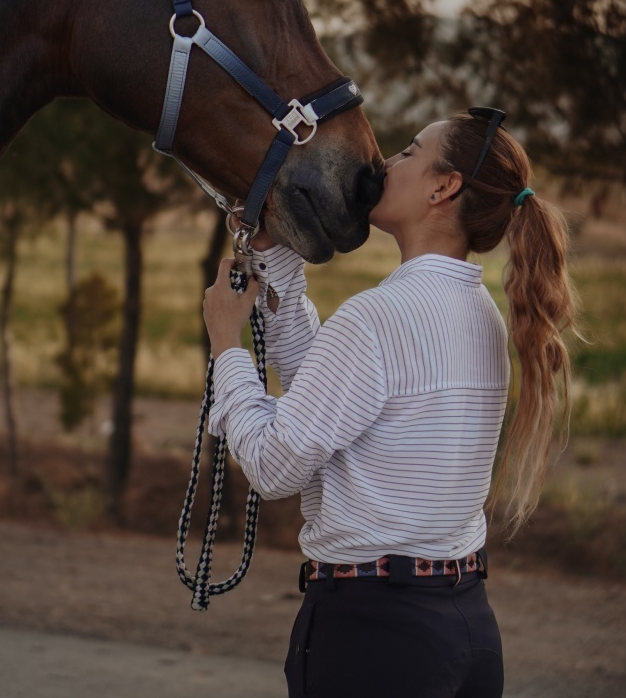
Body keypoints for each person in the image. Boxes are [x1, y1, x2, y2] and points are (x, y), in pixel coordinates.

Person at [203, 108, 578, 698]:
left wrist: (227, 344)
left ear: (442, 186)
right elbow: (323, 403)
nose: (386, 162)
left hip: (373, 640)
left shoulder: (378, 318)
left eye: (408, 151)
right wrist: (276, 260)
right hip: (467, 632)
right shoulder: (481, 316)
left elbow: (274, 466)